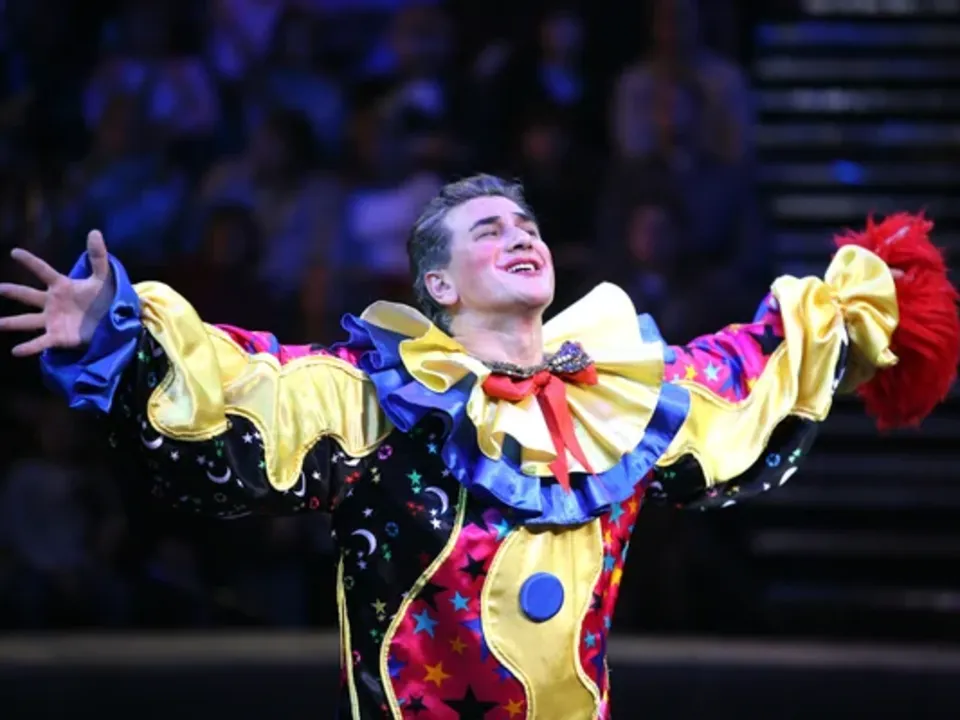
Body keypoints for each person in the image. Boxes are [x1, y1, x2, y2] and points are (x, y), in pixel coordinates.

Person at [1, 174, 958, 719]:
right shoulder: (381, 400)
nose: (520, 236)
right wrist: (116, 335)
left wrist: (869, 310)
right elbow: (247, 385)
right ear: (440, 286)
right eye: (489, 230)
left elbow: (750, 376)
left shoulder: (626, 399)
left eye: (528, 225)